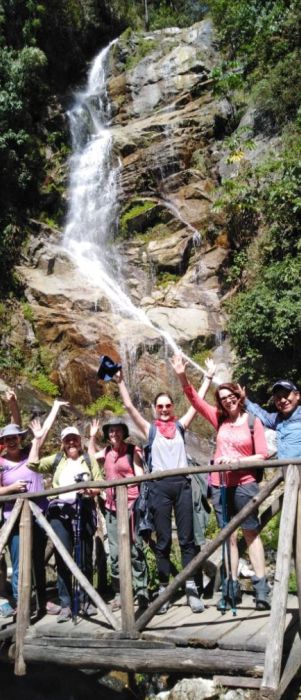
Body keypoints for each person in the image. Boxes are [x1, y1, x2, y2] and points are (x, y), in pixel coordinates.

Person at [113, 360, 216, 614]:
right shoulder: (150, 430)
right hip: (158, 487)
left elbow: (196, 403)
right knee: (163, 541)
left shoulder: (180, 426)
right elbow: (128, 406)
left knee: (187, 539)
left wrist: (208, 378)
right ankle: (163, 590)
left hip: (182, 486)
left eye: (168, 405)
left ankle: (191, 588)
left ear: (172, 407)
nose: (164, 409)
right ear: (155, 409)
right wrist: (120, 382)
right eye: (160, 406)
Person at [172, 354, 270, 611]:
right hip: (219, 485)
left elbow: (263, 454)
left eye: (232, 397)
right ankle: (231, 588)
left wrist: (237, 461)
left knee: (251, 533)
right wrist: (183, 375)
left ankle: (261, 588)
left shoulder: (252, 422)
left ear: (239, 397)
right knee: (228, 537)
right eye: (224, 399)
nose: (228, 401)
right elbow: (194, 399)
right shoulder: (220, 420)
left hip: (245, 483)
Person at [28, 424, 103, 623]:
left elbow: (99, 482)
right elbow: (32, 464)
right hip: (59, 513)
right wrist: (36, 439)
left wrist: (90, 491)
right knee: (63, 556)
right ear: (62, 443)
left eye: (74, 439)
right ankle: (66, 603)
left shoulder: (89, 459)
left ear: (80, 441)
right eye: (67, 439)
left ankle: (86, 600)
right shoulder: (57, 459)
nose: (71, 442)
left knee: (85, 556)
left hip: (84, 509)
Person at [0, 399, 68, 618]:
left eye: (14, 437)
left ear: (20, 438)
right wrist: (11, 488)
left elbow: (44, 431)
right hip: (15, 517)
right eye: (7, 439)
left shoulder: (31, 452)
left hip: (39, 514)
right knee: (20, 561)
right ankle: (23, 604)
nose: (11, 441)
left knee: (39, 559)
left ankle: (42, 601)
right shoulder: (1, 463)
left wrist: (56, 407)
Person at [89, 417, 149, 612]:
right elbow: (91, 456)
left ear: (123, 432)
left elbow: (140, 477)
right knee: (114, 554)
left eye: (117, 430)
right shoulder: (106, 452)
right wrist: (91, 437)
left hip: (131, 506)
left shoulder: (133, 451)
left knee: (135, 550)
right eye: (111, 431)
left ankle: (141, 592)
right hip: (111, 508)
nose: (114, 434)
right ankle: (120, 593)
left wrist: (127, 488)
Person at [243, 379, 301, 459]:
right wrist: (244, 400)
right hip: (286, 469)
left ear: (297, 395)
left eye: (286, 395)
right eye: (278, 397)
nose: (283, 400)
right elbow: (261, 414)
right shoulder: (277, 419)